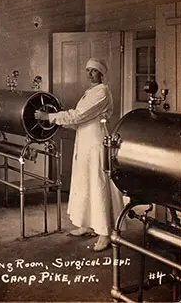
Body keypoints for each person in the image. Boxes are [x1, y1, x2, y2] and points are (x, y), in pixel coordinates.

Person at [34, 58, 124, 252]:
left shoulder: (102, 92)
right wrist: (57, 121)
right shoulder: (90, 93)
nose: (89, 73)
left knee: (98, 184)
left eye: (93, 71)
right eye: (88, 70)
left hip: (96, 143)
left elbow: (79, 115)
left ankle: (104, 233)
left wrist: (49, 117)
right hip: (84, 141)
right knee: (84, 183)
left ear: (101, 74)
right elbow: (77, 121)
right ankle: (87, 224)